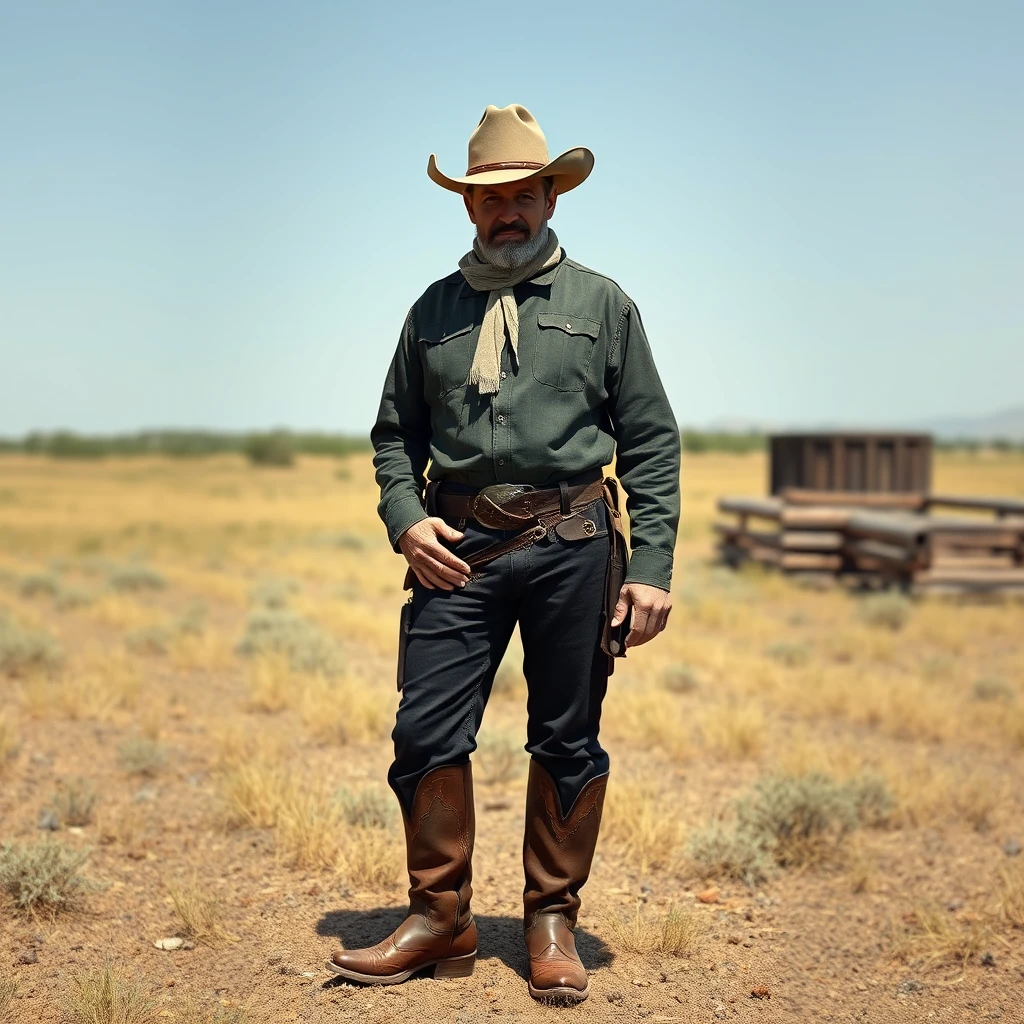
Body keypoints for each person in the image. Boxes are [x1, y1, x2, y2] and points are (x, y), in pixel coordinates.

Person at [327, 103, 681, 1004]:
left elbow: (650, 441)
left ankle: (550, 921)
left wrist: (649, 567)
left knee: (567, 734)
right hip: (457, 549)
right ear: (469, 209)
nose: (509, 212)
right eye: (491, 199)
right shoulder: (433, 311)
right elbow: (392, 435)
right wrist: (406, 518)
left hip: (573, 541)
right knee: (424, 731)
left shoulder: (604, 305)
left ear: (551, 196)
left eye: (524, 194)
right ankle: (439, 918)